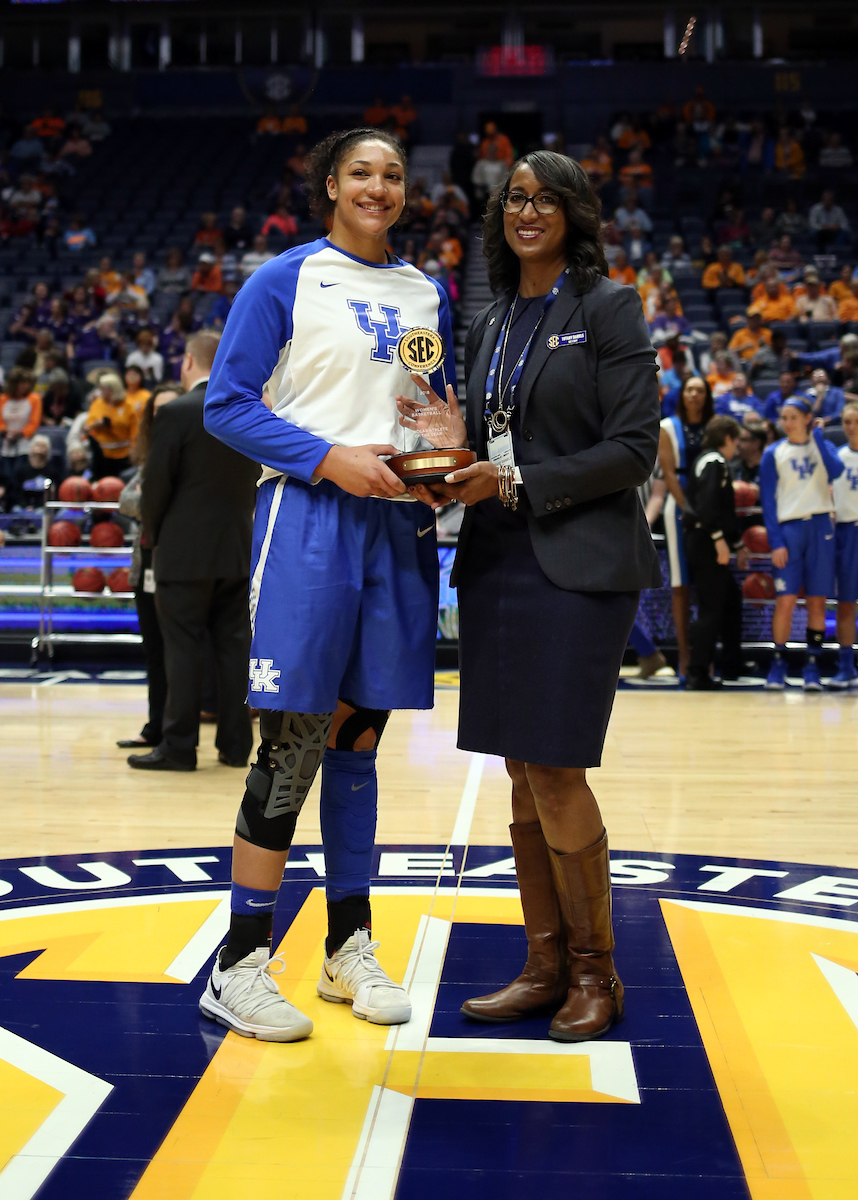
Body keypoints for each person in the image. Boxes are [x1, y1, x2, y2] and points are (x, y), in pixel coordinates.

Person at [398, 150, 661, 1042]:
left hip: (579, 562)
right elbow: (489, 433)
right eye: (515, 198)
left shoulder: (609, 306)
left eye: (546, 198)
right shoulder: (494, 316)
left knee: (554, 766)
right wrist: (440, 456)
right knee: (518, 766)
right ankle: (543, 965)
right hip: (499, 560)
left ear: (576, 212)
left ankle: (597, 974)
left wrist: (508, 483)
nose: (528, 211)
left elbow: (633, 451)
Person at [199, 127, 454, 1042]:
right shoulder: (284, 279)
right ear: (330, 186)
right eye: (361, 173)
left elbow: (430, 403)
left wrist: (442, 446)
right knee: (292, 740)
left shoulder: (429, 290)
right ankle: (238, 962)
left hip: (397, 523)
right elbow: (226, 404)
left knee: (358, 739)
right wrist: (326, 459)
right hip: (308, 517)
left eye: (392, 174)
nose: (379, 187)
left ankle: (350, 946)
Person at [131, 332, 258, 775]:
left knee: (182, 649)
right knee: (233, 648)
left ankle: (179, 747)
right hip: (237, 549)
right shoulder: (248, 413)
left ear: (187, 362)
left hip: (184, 555)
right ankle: (237, 744)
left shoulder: (175, 413)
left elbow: (155, 488)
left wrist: (152, 534)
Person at [117, 383, 185, 749]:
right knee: (154, 653)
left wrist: (153, 498)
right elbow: (126, 499)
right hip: (144, 565)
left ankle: (179, 732)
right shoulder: (149, 456)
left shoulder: (189, 451)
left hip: (180, 566)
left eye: (168, 408)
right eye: (156, 410)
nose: (162, 416)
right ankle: (155, 727)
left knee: (181, 654)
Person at [760, 397, 844, 691]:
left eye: (793, 416)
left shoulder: (824, 446)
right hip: (789, 529)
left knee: (817, 602)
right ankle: (778, 663)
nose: (787, 422)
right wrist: (776, 541)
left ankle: (812, 666)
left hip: (821, 526)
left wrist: (819, 437)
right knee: (784, 601)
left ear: (808, 418)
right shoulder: (773, 452)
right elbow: (768, 502)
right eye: (784, 417)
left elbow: (836, 471)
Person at [683, 416, 749, 689]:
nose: (738, 447)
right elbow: (709, 508)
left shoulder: (707, 461)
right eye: (736, 440)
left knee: (730, 600)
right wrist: (720, 540)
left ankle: (731, 664)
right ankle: (697, 673)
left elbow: (720, 512)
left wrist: (737, 545)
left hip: (704, 539)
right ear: (727, 439)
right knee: (711, 609)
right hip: (706, 541)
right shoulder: (715, 462)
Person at [659, 376, 715, 681]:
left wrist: (707, 514)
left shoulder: (715, 425)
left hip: (710, 511)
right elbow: (668, 474)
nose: (694, 394)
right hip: (679, 510)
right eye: (689, 390)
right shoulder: (667, 427)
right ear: (682, 395)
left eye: (700, 390)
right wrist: (689, 510)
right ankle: (684, 655)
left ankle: (705, 657)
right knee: (681, 586)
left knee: (707, 587)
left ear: (707, 396)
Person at [830, 402, 858, 689]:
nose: (851, 426)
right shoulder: (837, 459)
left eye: (856, 421)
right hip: (847, 532)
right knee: (846, 604)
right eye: (847, 421)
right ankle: (847, 667)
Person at [84, 372, 138, 477]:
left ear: (113, 389)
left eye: (103, 388)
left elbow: (135, 431)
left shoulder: (128, 406)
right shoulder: (97, 404)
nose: (101, 391)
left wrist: (134, 449)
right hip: (101, 455)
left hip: (123, 455)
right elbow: (87, 426)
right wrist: (97, 424)